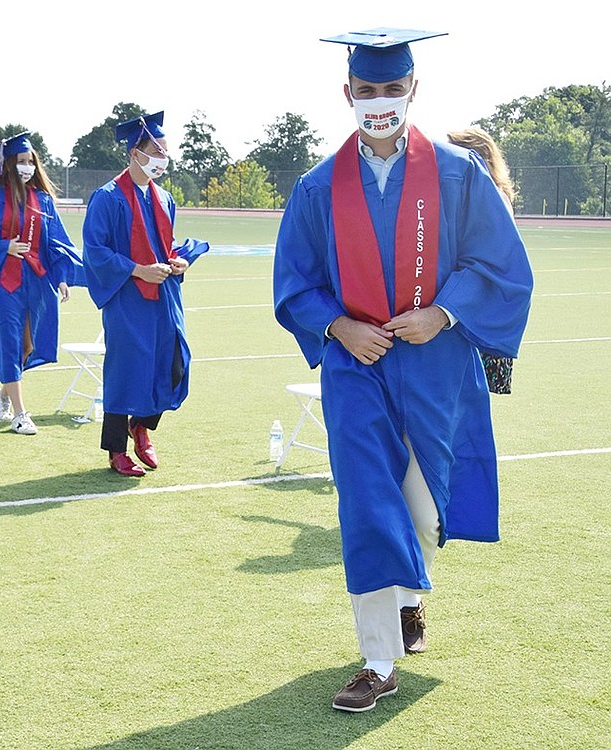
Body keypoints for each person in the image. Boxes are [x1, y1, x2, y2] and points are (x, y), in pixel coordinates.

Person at [272, 29, 534, 712]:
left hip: (434, 362)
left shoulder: (457, 173)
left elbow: (499, 265)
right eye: (368, 89)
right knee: (367, 502)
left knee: (422, 507)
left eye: (392, 88)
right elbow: (295, 281)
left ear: (412, 90)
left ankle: (412, 595)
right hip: (357, 367)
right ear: (348, 94)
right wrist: (338, 325)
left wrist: (443, 314)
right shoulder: (318, 187)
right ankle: (378, 660)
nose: (380, 101)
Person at [82, 111, 209, 477]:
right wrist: (138, 270)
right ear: (134, 153)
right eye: (156, 151)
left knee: (172, 363)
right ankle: (116, 451)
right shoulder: (107, 198)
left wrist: (177, 261)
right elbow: (96, 251)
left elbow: (163, 245)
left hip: (164, 295)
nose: (162, 159)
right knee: (125, 370)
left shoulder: (164, 198)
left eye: (166, 152)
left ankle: (142, 425)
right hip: (127, 298)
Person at [0, 132, 82, 435]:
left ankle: (3, 393)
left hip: (37, 281)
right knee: (9, 341)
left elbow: (56, 243)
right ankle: (21, 414)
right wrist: (4, 247)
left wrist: (62, 277)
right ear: (8, 165)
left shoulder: (42, 202)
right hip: (3, 282)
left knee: (27, 346)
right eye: (21, 162)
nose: (26, 167)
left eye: (30, 162)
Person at [447, 126, 519, 394]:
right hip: (470, 305)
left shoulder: (494, 196)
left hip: (481, 308)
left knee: (469, 393)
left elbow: (492, 257)